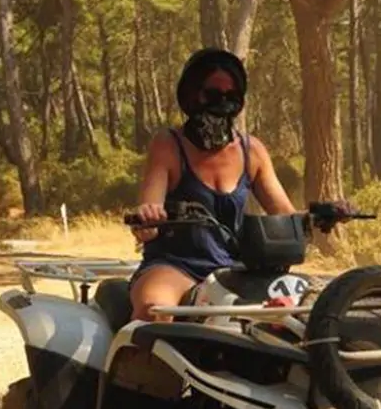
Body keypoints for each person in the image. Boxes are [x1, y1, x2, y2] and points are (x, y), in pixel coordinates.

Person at [128, 48, 301, 322]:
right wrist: (148, 218)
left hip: (236, 269)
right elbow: (150, 205)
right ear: (192, 94)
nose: (222, 104)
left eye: (230, 97)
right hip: (177, 267)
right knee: (154, 310)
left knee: (298, 314)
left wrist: (323, 216)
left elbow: (287, 215)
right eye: (213, 94)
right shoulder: (168, 145)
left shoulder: (252, 150)